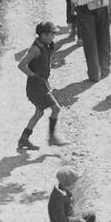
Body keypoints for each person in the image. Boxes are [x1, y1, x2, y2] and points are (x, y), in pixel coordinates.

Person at [17, 22, 70, 150]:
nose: (54, 37)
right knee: (56, 109)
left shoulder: (46, 45)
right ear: (43, 35)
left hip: (40, 86)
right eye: (52, 34)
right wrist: (34, 76)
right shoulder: (35, 49)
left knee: (39, 113)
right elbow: (21, 65)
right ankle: (52, 138)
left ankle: (24, 139)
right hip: (36, 87)